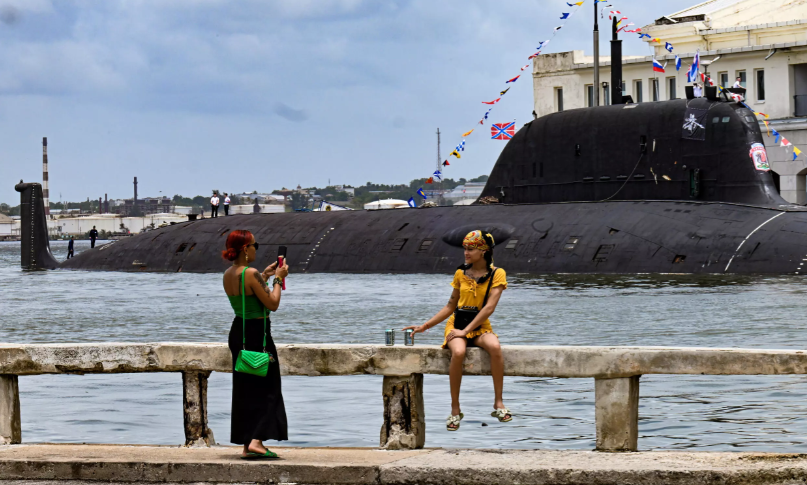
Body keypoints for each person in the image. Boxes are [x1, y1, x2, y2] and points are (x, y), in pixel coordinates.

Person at [403, 230, 509, 431]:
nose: (466, 253)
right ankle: (455, 408)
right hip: (457, 324)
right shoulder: (461, 273)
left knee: (495, 347)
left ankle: (498, 403)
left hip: (479, 326)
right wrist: (424, 326)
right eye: (465, 249)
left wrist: (467, 331)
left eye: (471, 249)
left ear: (484, 250)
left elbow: (489, 308)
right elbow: (450, 306)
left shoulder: (497, 274)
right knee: (458, 352)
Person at [222, 230, 290, 459]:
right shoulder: (250, 273)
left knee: (244, 390)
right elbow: (272, 304)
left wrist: (265, 275)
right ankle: (257, 441)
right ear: (245, 249)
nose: (255, 248)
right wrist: (279, 279)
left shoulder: (229, 274)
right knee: (269, 389)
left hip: (238, 333)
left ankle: (246, 442)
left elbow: (248, 293)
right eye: (254, 245)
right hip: (258, 334)